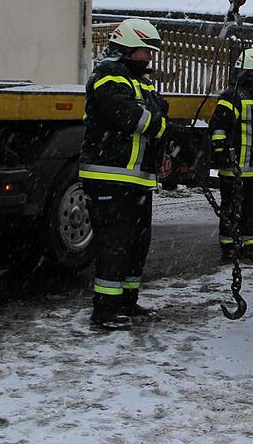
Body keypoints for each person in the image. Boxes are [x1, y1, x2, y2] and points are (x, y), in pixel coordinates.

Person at [80, 18, 171, 330]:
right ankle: (105, 310)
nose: (149, 57)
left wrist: (164, 140)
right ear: (129, 49)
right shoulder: (108, 75)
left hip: (136, 179)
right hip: (109, 176)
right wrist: (162, 127)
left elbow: (157, 112)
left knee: (136, 244)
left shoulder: (140, 82)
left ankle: (127, 302)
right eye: (145, 51)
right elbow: (128, 116)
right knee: (115, 244)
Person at [209, 47, 253, 260]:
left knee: (250, 207)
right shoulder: (231, 97)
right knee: (231, 206)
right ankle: (229, 245)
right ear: (250, 71)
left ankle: (249, 243)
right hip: (234, 167)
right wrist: (220, 153)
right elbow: (218, 127)